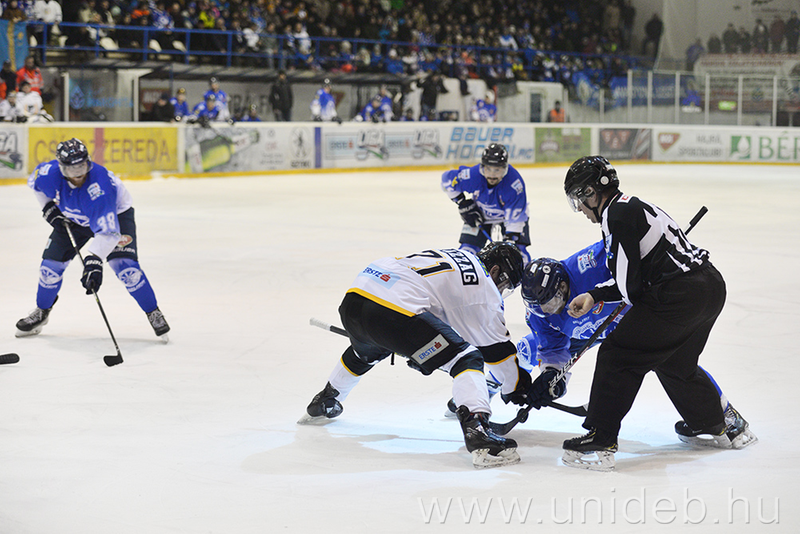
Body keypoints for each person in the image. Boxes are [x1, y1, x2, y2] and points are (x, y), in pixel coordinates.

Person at [559, 155, 756, 471]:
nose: (580, 209)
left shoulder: (615, 216)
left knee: (617, 354)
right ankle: (714, 423)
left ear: (592, 193)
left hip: (679, 296)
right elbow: (634, 277)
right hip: (709, 287)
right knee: (674, 362)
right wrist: (595, 295)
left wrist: (608, 295)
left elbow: (630, 288)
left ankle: (601, 438)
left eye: (579, 200)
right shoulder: (631, 205)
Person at [299, 242, 530, 469]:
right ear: (495, 270)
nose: (501, 290)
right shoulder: (484, 285)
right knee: (466, 359)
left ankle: (327, 399)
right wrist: (516, 387)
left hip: (355, 299)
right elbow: (497, 353)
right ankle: (478, 431)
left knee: (367, 351)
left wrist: (418, 347)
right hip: (393, 312)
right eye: (505, 284)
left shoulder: (458, 258)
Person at [15, 138, 170, 341]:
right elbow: (35, 184)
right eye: (72, 169)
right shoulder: (48, 174)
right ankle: (42, 311)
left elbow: (109, 232)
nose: (78, 174)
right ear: (61, 168)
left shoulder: (100, 187)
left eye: (82, 166)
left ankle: (153, 311)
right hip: (73, 218)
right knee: (49, 268)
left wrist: (94, 260)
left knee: (125, 268)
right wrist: (48, 208)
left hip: (116, 215)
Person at [441, 143, 531, 264]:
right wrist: (462, 202)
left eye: (497, 170)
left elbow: (515, 221)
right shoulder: (473, 175)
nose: (492, 174)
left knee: (518, 255)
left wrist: (510, 242)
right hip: (481, 214)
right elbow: (446, 180)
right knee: (467, 252)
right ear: (482, 167)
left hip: (509, 218)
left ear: (505, 168)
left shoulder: (515, 184)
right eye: (488, 169)